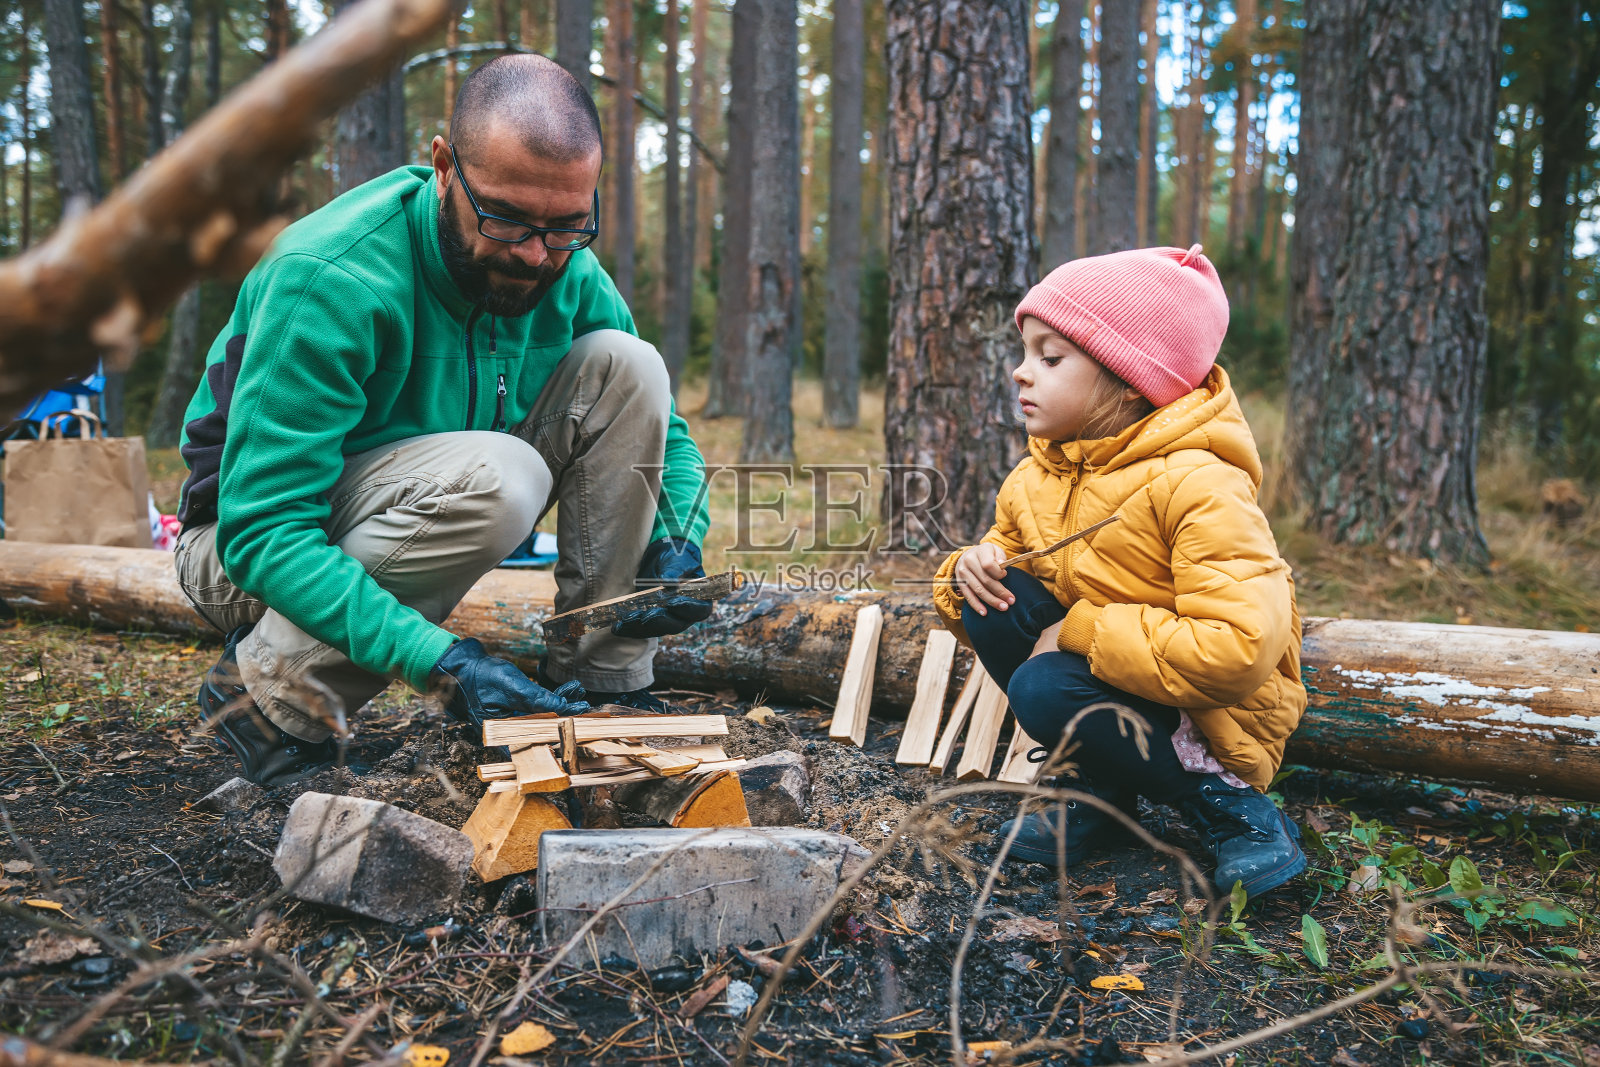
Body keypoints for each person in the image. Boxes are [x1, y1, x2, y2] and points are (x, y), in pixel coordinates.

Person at [173, 55, 713, 786]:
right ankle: (269, 700)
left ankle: (604, 688)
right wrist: (445, 663)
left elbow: (667, 431)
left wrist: (680, 539)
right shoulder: (334, 278)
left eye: (566, 225)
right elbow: (261, 533)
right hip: (237, 548)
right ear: (443, 166)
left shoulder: (565, 266)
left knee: (631, 363)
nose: (534, 254)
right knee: (504, 477)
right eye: (507, 218)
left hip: (422, 505)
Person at [929, 245, 1307, 898]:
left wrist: (1079, 629)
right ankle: (1100, 788)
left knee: (1044, 686)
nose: (1021, 373)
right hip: (1118, 677)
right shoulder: (1037, 476)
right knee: (991, 602)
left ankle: (1228, 805)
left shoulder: (1199, 483)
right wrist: (969, 568)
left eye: (1051, 357)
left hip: (1212, 715)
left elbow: (1238, 647)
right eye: (1024, 354)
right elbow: (1009, 568)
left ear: (1129, 375)